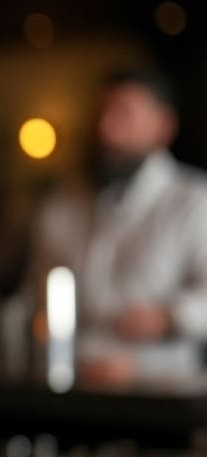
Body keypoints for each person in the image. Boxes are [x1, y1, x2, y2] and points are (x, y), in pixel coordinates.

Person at [27, 67, 207, 381]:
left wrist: (169, 317)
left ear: (163, 127)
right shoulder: (61, 205)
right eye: (101, 114)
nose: (105, 129)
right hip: (67, 380)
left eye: (122, 116)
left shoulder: (194, 202)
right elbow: (33, 297)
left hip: (163, 387)